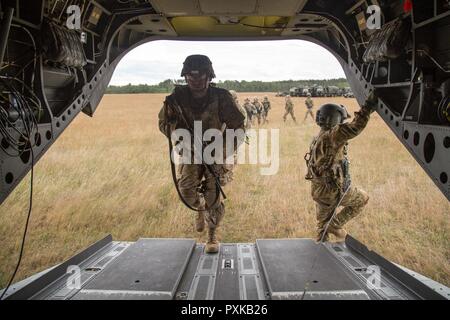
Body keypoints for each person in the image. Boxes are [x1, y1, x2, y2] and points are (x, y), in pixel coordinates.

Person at [158, 55, 245, 253]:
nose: (196, 80)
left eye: (201, 75)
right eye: (191, 76)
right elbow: (163, 123)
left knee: (214, 197)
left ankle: (212, 236)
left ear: (209, 76)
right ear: (185, 76)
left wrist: (221, 149)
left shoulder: (222, 97)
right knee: (186, 192)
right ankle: (199, 208)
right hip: (190, 153)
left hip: (215, 154)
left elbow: (238, 126)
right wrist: (180, 135)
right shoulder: (176, 99)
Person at [304, 92, 378, 242]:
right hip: (333, 190)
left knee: (322, 228)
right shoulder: (334, 135)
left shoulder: (317, 138)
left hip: (319, 190)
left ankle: (322, 249)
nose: (342, 123)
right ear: (334, 119)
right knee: (362, 199)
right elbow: (356, 126)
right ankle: (335, 225)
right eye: (341, 120)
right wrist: (368, 106)